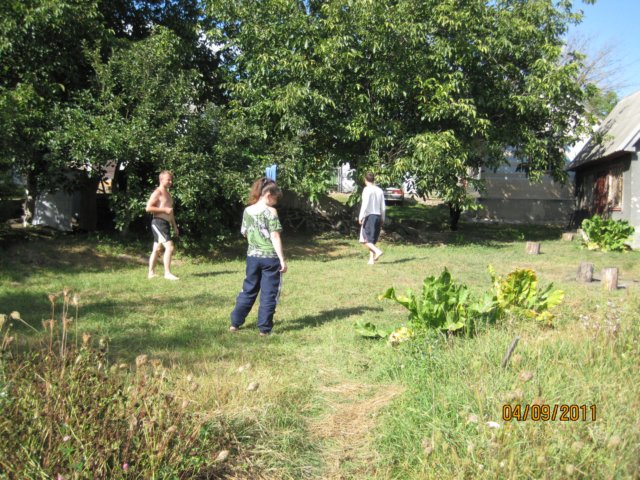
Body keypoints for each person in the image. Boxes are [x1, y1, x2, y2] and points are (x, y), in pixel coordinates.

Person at [230, 177, 287, 336]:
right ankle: (264, 329)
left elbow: (245, 233)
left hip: (252, 257)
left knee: (248, 289)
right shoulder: (271, 212)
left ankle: (235, 323)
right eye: (275, 198)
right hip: (270, 258)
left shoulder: (247, 211)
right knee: (269, 293)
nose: (276, 202)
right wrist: (282, 259)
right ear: (268, 195)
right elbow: (275, 236)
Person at [146, 170, 179, 280]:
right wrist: (164, 209)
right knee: (170, 247)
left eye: (171, 180)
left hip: (165, 224)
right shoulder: (158, 192)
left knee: (156, 249)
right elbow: (148, 208)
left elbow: (170, 212)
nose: (170, 182)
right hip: (159, 223)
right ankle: (167, 273)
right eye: (168, 179)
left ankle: (151, 273)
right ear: (161, 180)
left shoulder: (168, 194)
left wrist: (175, 226)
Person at [358, 172, 385, 264]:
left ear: (365, 180)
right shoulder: (379, 190)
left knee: (364, 239)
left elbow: (364, 204)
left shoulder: (366, 190)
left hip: (369, 216)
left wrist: (360, 216)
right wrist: (383, 218)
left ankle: (377, 251)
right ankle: (371, 259)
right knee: (372, 239)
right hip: (378, 216)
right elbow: (383, 207)